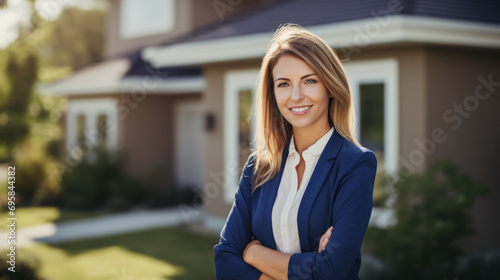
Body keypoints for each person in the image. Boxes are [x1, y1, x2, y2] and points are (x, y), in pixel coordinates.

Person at [214, 23, 377, 280]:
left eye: (309, 80)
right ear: (273, 93)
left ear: (330, 86)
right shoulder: (259, 166)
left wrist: (253, 252)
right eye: (284, 84)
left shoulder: (355, 164)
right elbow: (224, 261)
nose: (296, 96)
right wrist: (310, 262)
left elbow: (330, 271)